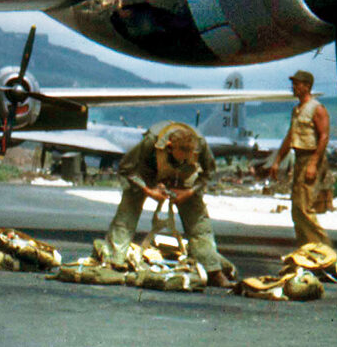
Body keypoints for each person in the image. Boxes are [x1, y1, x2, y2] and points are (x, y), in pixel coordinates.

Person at [97, 121, 236, 287]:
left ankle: (212, 270)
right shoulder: (150, 141)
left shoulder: (201, 145)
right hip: (147, 173)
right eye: (181, 154)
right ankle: (114, 262)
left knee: (199, 222)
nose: (185, 157)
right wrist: (149, 190)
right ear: (169, 147)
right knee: (127, 213)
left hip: (184, 177)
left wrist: (189, 192)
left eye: (188, 154)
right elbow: (126, 168)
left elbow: (209, 172)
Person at [270, 68, 332, 247]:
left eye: (297, 84)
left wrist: (313, 163)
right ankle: (306, 248)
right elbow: (290, 137)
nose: (293, 87)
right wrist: (277, 161)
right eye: (293, 84)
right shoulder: (297, 110)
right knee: (297, 209)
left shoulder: (317, 109)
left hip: (311, 157)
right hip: (299, 158)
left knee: (304, 207)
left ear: (307, 86)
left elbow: (324, 137)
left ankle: (323, 249)